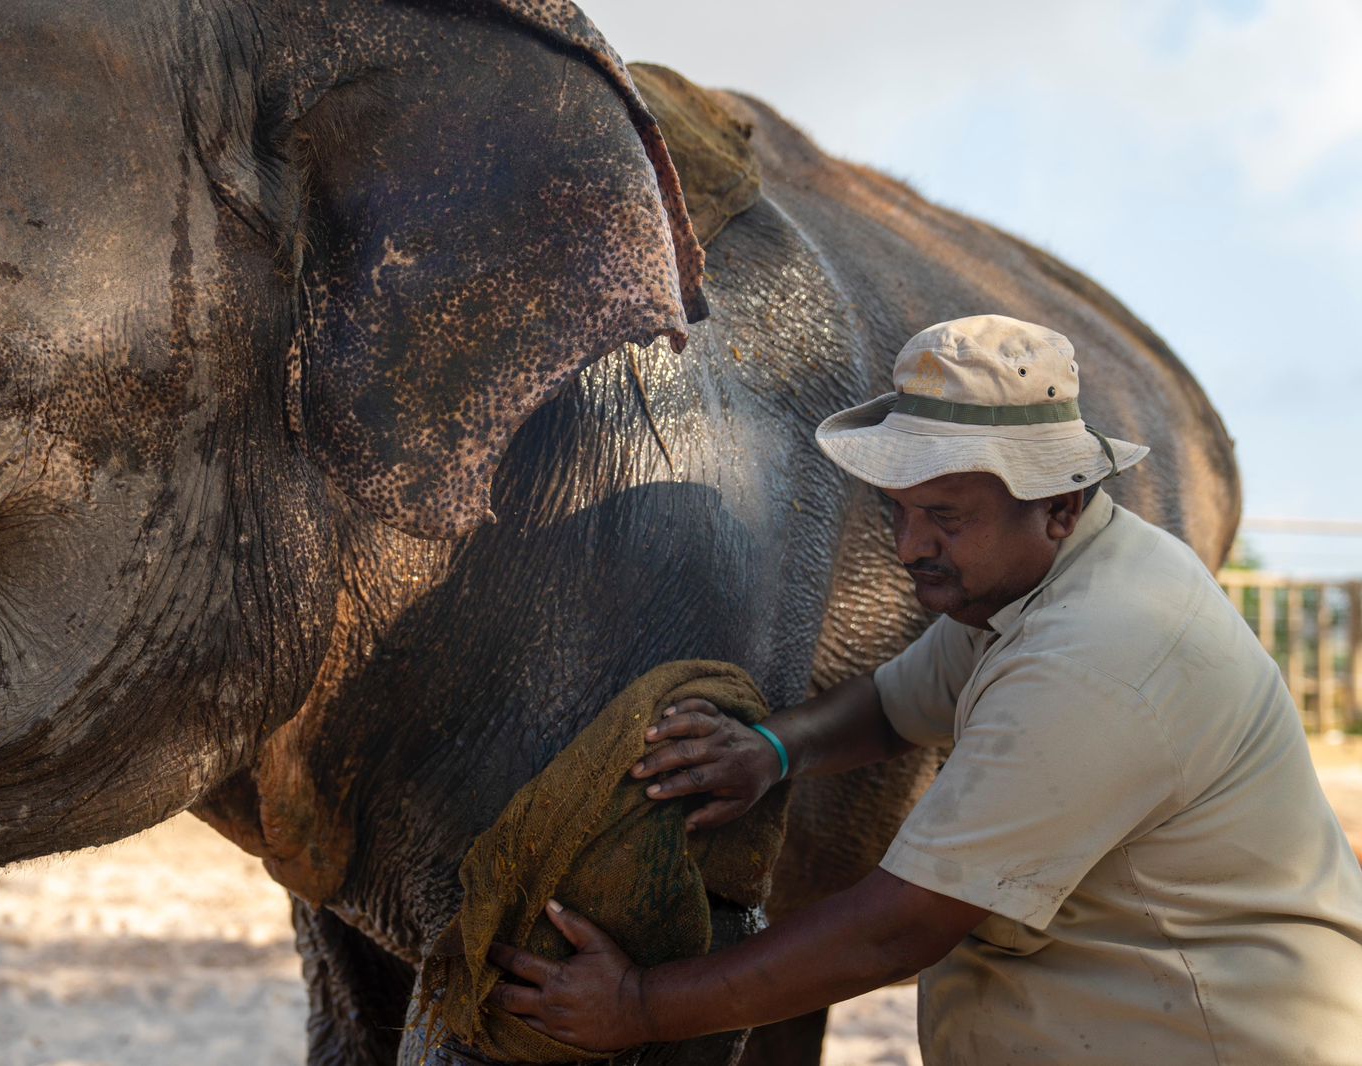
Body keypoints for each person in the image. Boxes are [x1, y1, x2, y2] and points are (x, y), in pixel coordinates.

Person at [489, 314, 1362, 1064]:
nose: (909, 547)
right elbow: (892, 704)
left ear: (1059, 505)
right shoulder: (1033, 584)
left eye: (945, 518)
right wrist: (773, 750)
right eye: (896, 510)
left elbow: (896, 926)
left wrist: (637, 1005)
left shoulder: (1092, 658)